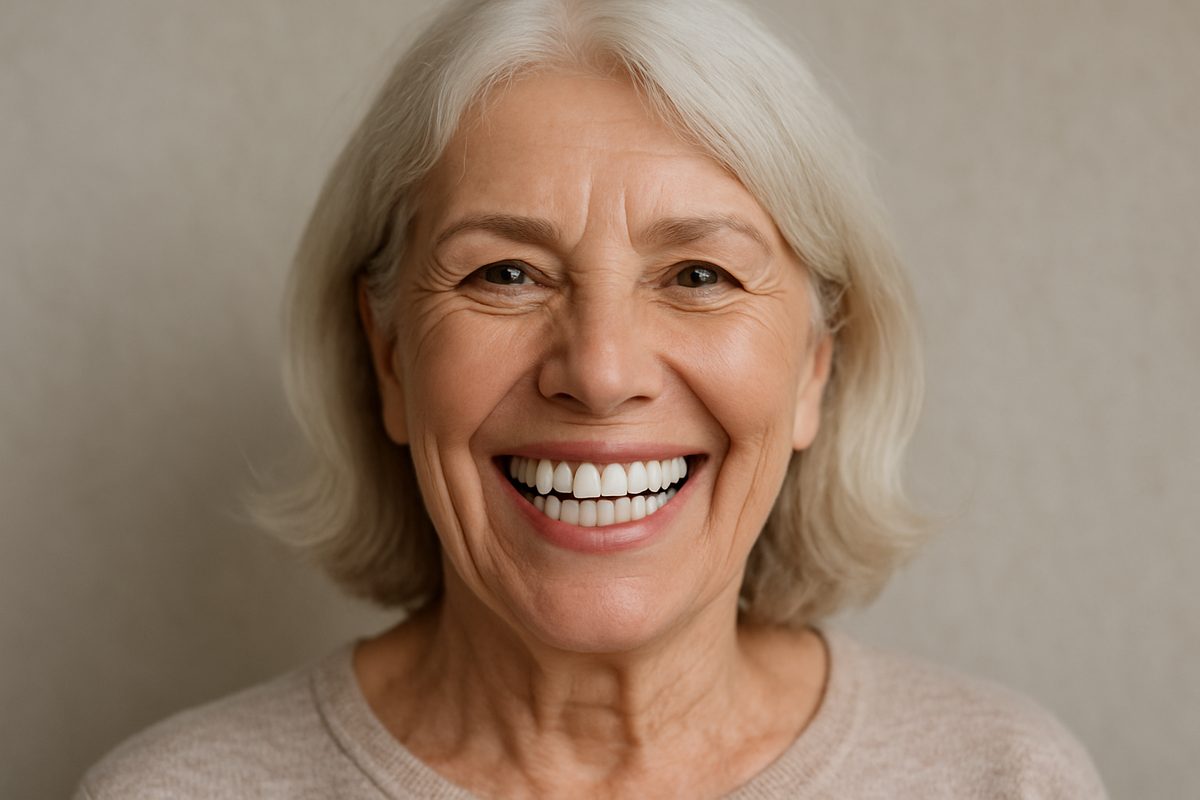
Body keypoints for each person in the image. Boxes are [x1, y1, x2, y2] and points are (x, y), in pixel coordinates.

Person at [75, 0, 1106, 797]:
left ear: (812, 371)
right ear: (388, 357)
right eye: (505, 273)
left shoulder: (1003, 777)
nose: (602, 371)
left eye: (698, 275)